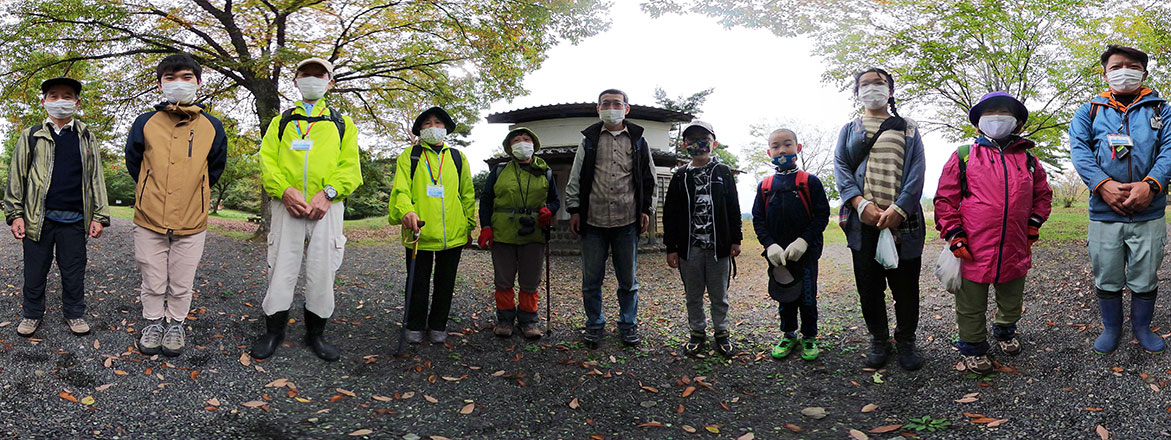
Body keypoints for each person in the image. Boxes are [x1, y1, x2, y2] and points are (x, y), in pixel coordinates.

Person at [251, 57, 363, 362]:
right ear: (296, 80)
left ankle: (316, 334)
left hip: (327, 208)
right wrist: (284, 191)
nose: (312, 79)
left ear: (330, 82)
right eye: (305, 74)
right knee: (281, 267)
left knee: (323, 269)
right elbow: (267, 160)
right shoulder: (282, 121)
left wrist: (327, 194)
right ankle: (274, 330)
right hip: (287, 205)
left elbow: (351, 168)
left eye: (319, 75)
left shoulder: (343, 123)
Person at [934, 92, 1053, 373]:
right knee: (970, 304)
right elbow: (945, 200)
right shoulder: (964, 156)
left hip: (1015, 247)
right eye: (990, 112)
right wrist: (954, 234)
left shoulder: (1029, 161)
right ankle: (973, 347)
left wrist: (1033, 224)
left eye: (1004, 112)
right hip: (973, 247)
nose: (997, 117)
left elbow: (1043, 196)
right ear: (978, 122)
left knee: (1012, 300)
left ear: (1017, 122)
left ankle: (1005, 331)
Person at [1070, 45, 1171, 355]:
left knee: (1145, 275)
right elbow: (1079, 150)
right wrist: (1103, 184)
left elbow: (1169, 150)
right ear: (1105, 72)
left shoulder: (1162, 109)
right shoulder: (1089, 110)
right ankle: (1112, 327)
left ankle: (1142, 327)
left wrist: (1151, 185)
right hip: (1104, 212)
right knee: (1107, 275)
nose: (1123, 71)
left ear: (1144, 72)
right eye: (1116, 66)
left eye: (1131, 65)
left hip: (1149, 212)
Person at [125, 53, 228, 357]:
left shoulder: (212, 126)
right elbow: (135, 162)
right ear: (160, 84)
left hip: (191, 219)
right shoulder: (145, 122)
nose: (178, 83)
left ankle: (176, 325)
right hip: (149, 216)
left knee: (182, 280)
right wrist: (149, 189)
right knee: (152, 276)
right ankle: (154, 322)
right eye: (169, 78)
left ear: (198, 82)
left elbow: (215, 167)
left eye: (185, 77)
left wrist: (195, 193)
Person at [834, 68, 927, 370]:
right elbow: (841, 168)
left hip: (904, 221)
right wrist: (860, 204)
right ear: (856, 91)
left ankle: (906, 340)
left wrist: (900, 208)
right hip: (863, 222)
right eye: (865, 84)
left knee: (905, 288)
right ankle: (878, 338)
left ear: (890, 90)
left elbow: (916, 171)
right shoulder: (849, 129)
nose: (872, 88)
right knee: (869, 286)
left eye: (879, 83)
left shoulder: (909, 128)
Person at [3, 77, 110, 337]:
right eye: (53, 95)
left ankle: (74, 313)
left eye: (67, 95)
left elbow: (96, 177)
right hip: (38, 219)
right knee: (35, 269)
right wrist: (15, 215)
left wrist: (100, 216)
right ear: (44, 101)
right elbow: (17, 176)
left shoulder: (86, 136)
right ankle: (31, 314)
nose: (60, 100)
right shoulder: (31, 135)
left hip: (74, 219)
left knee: (74, 269)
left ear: (77, 102)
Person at [564, 89, 656, 348]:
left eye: (617, 103)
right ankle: (594, 324)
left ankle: (628, 324)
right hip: (592, 220)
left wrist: (646, 209)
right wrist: (574, 210)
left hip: (627, 220)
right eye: (606, 103)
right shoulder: (589, 140)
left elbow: (648, 178)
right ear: (598, 109)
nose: (611, 107)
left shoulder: (638, 140)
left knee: (628, 280)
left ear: (627, 109)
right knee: (591, 279)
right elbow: (576, 176)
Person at [388, 106, 474, 344]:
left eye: (438, 123)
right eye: (427, 123)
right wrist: (406, 211)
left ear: (445, 128)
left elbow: (467, 193)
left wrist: (469, 225)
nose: (433, 127)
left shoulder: (458, 157)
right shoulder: (410, 156)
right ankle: (414, 324)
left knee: (446, 282)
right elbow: (401, 190)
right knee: (417, 281)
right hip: (419, 232)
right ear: (419, 129)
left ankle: (438, 324)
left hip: (453, 234)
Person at [662, 121, 742, 356]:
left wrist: (736, 239)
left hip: (719, 247)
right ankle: (697, 333)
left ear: (713, 143)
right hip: (690, 248)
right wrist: (671, 247)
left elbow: (733, 208)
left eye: (703, 138)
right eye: (692, 139)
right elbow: (670, 214)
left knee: (720, 295)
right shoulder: (680, 176)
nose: (698, 143)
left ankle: (722, 333)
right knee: (693, 295)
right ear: (684, 144)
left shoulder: (723, 172)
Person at [754, 129, 830, 361]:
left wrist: (804, 240)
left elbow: (822, 215)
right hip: (778, 257)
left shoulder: (810, 182)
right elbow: (758, 219)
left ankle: (809, 336)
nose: (782, 150)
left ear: (797, 148)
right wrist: (769, 245)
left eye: (787, 144)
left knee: (807, 296)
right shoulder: (765, 186)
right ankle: (788, 334)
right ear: (769, 152)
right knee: (784, 296)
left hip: (805, 254)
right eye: (776, 147)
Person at [477, 127, 560, 339]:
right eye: (516, 140)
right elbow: (486, 200)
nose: (522, 143)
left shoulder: (546, 171)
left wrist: (549, 210)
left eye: (526, 139)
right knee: (503, 279)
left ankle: (529, 320)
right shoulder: (498, 171)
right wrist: (486, 226)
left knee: (530, 280)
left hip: (534, 232)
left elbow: (555, 200)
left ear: (534, 144)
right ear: (509, 146)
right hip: (502, 232)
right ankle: (504, 320)